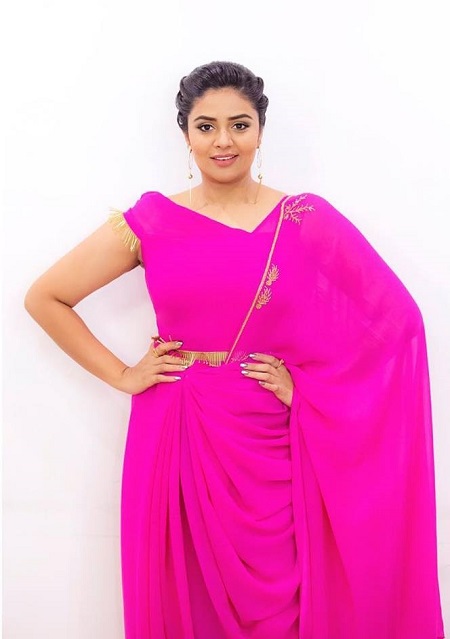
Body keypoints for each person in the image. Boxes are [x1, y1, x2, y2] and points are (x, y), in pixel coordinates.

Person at [24, 60, 445, 639]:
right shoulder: (151, 222)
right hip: (178, 429)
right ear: (185, 133)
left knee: (289, 602)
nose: (223, 141)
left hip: (273, 441)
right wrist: (123, 375)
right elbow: (46, 297)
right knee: (187, 595)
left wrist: (307, 390)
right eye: (206, 126)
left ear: (261, 130)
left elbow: (395, 326)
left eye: (239, 125)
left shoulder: (304, 219)